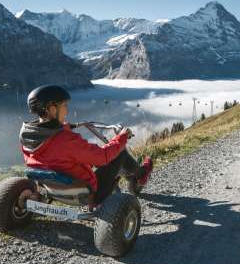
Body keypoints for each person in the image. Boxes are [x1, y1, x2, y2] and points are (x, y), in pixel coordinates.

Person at [19, 85, 153, 206]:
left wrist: (70, 126)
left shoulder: (28, 134)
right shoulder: (66, 140)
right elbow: (102, 157)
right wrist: (122, 137)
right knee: (119, 152)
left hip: (53, 186)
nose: (66, 111)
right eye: (64, 105)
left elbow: (51, 133)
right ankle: (141, 175)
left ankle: (135, 175)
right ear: (52, 109)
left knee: (91, 155)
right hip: (85, 193)